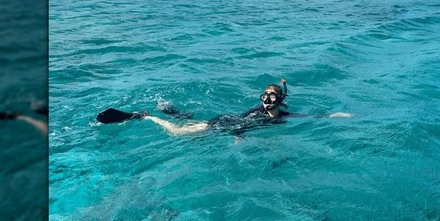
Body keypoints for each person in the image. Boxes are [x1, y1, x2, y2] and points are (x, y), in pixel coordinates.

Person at [97, 79, 352, 136]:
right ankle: (145, 116)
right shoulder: (256, 111)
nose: (267, 100)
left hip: (227, 125)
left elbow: (309, 115)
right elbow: (241, 122)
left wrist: (335, 115)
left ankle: (171, 110)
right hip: (224, 123)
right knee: (179, 133)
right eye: (264, 96)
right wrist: (238, 137)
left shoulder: (284, 115)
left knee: (187, 124)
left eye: (272, 98)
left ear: (281, 101)